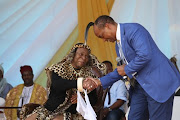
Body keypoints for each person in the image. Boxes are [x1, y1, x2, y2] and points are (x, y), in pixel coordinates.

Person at [83, 15, 180, 120]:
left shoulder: (134, 30)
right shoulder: (118, 45)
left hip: (158, 83)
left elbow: (144, 55)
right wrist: (99, 81)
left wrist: (126, 69)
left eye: (102, 36)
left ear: (108, 26)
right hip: (141, 86)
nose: (103, 40)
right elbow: (121, 70)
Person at [21, 43, 106, 120]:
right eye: (81, 54)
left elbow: (94, 99)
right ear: (73, 55)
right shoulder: (59, 68)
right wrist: (79, 83)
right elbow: (58, 85)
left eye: (87, 56)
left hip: (72, 113)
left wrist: (82, 99)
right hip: (49, 109)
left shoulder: (89, 76)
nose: (83, 58)